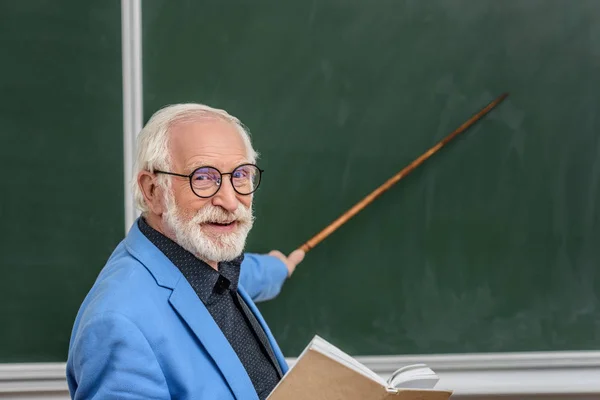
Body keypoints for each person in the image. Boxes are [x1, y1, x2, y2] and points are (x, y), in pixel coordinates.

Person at [66, 103, 305, 399]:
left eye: (241, 174)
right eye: (203, 177)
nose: (231, 201)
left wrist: (278, 268)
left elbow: (248, 273)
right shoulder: (118, 323)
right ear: (152, 191)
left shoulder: (207, 264)